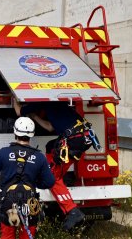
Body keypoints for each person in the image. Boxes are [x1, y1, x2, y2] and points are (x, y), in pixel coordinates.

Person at [14, 98, 96, 231]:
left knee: (51, 177)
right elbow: (50, 126)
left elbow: (19, 112)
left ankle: (72, 211)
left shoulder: (41, 100)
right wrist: (35, 116)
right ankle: (56, 181)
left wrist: (14, 99)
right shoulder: (58, 102)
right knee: (51, 146)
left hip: (73, 141)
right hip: (82, 138)